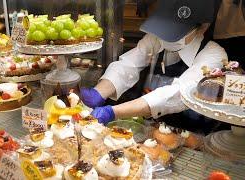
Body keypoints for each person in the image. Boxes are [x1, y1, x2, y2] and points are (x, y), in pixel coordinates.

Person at [80, 0, 228, 129]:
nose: (166, 37)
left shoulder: (214, 55)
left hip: (194, 134)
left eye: (176, 32)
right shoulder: (156, 39)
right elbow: (128, 64)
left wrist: (113, 112)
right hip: (152, 128)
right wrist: (99, 92)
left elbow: (178, 93)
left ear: (203, 27)